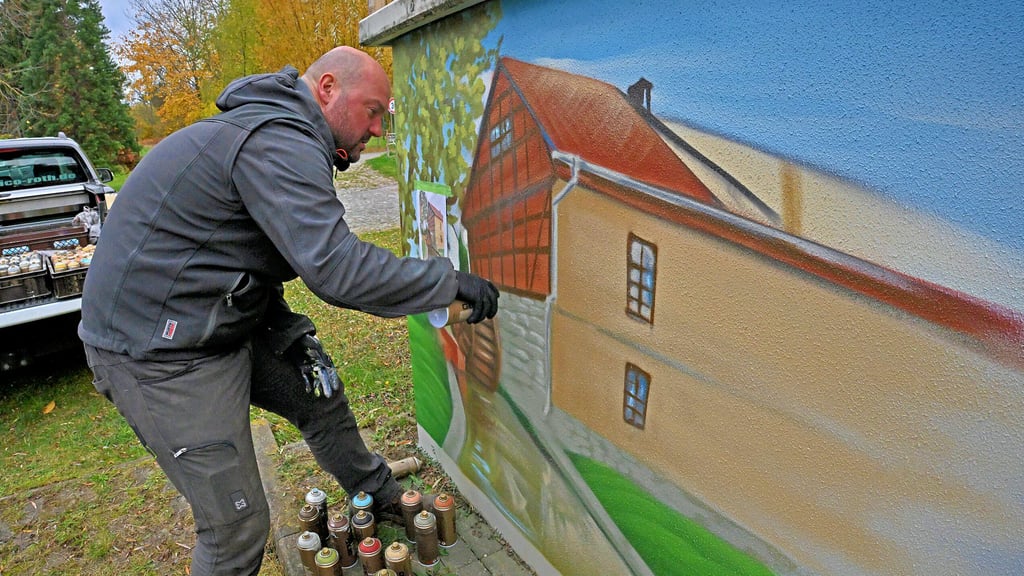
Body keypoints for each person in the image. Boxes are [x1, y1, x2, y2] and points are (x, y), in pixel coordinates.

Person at [78, 46, 498, 575]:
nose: (375, 128)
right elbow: (337, 269)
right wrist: (447, 282)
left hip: (214, 317)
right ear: (326, 89)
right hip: (157, 351)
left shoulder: (280, 131)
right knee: (235, 530)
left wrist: (289, 335)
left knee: (316, 391)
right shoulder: (277, 139)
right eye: (371, 111)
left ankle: (378, 494)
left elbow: (235, 252)